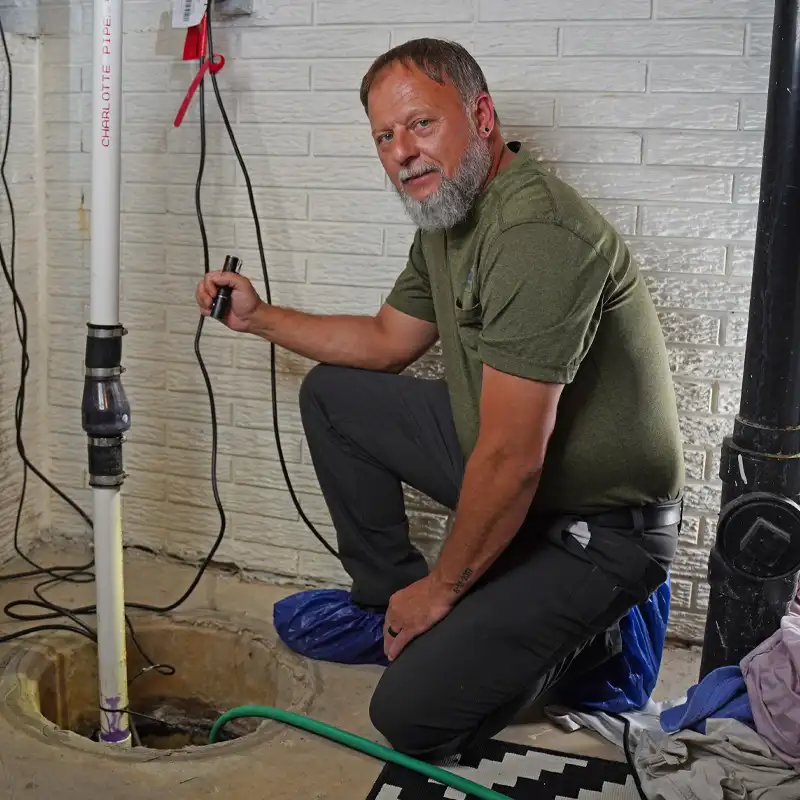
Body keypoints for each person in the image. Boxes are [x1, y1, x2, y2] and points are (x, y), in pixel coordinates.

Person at [195, 38, 685, 762]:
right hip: (519, 465)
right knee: (335, 396)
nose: (402, 152)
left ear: (481, 116)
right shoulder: (449, 217)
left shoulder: (535, 234)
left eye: (421, 124)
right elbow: (388, 340)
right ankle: (385, 604)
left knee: (413, 713)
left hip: (601, 524)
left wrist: (443, 591)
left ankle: (596, 641)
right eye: (385, 136)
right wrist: (258, 317)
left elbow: (513, 459)